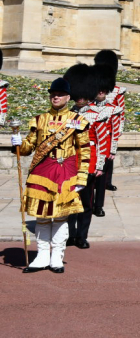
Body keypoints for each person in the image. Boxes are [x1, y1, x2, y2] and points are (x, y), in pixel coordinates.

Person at [11, 75, 91, 273]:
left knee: (61, 217)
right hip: (42, 172)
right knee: (42, 216)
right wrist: (18, 143)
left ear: (68, 97)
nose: (56, 97)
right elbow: (29, 147)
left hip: (65, 173)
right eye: (53, 94)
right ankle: (41, 255)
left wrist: (82, 177)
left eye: (60, 94)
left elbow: (84, 151)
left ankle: (57, 256)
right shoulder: (39, 120)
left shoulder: (77, 121)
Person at [67, 64, 110, 250]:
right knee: (69, 201)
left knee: (86, 203)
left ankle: (82, 236)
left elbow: (102, 142)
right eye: (77, 95)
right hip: (69, 163)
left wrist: (99, 166)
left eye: (83, 96)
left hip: (89, 163)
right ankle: (70, 234)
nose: (80, 99)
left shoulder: (96, 115)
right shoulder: (66, 115)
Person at [94, 49, 125, 193]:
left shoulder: (118, 91)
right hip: (96, 126)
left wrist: (119, 129)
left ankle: (107, 181)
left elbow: (121, 110)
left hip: (111, 127)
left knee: (109, 157)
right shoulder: (94, 89)